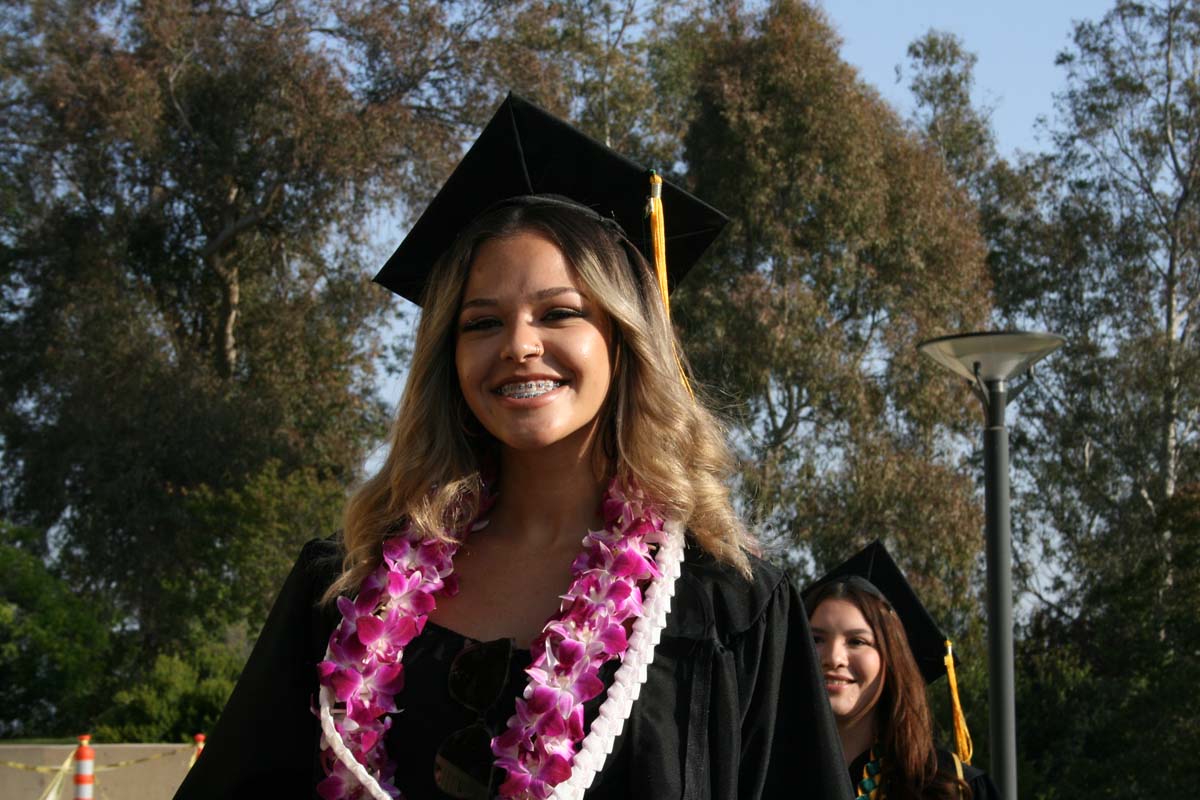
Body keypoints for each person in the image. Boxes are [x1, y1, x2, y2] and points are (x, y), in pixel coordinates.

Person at [174, 93, 850, 800]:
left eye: (559, 313)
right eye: (481, 322)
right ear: (447, 355)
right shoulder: (342, 592)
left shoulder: (729, 609)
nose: (520, 346)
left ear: (624, 340)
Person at [803, 541, 1000, 800]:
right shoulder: (763, 776)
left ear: (891, 659)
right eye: (816, 639)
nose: (833, 658)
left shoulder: (947, 786)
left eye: (857, 641)